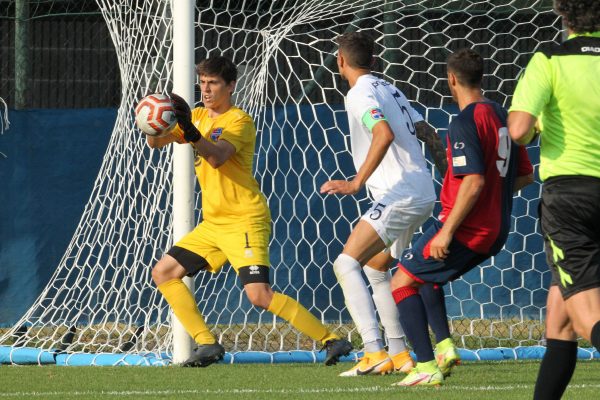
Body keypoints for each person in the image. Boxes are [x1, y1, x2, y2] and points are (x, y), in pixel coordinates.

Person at [146, 56, 352, 367]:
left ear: (230, 86)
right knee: (163, 273)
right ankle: (206, 344)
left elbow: (216, 158)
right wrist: (156, 117)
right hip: (214, 224)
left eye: (213, 83)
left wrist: (190, 132)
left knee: (259, 296)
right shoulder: (197, 116)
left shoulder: (239, 121)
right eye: (202, 82)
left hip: (244, 219)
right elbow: (154, 142)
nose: (206, 89)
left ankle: (331, 340)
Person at [389, 48, 534, 386]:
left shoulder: (465, 121)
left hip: (467, 227)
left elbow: (474, 180)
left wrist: (446, 232)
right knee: (423, 276)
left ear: (451, 79)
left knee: (401, 281)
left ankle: (425, 367)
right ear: (481, 77)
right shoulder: (502, 116)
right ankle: (443, 347)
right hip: (496, 228)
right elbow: (525, 177)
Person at [320, 32, 447, 377]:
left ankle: (372, 351)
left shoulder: (359, 93)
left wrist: (355, 182)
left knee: (346, 263)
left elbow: (383, 133)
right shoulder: (391, 89)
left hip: (400, 193)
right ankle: (399, 352)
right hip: (421, 191)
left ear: (341, 61)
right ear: (374, 61)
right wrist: (450, 181)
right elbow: (428, 133)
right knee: (377, 268)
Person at [507, 1, 600, 398]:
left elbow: (519, 130)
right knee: (560, 323)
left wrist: (539, 122)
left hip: (571, 201)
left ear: (564, 17)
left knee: (587, 321)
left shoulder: (550, 58)